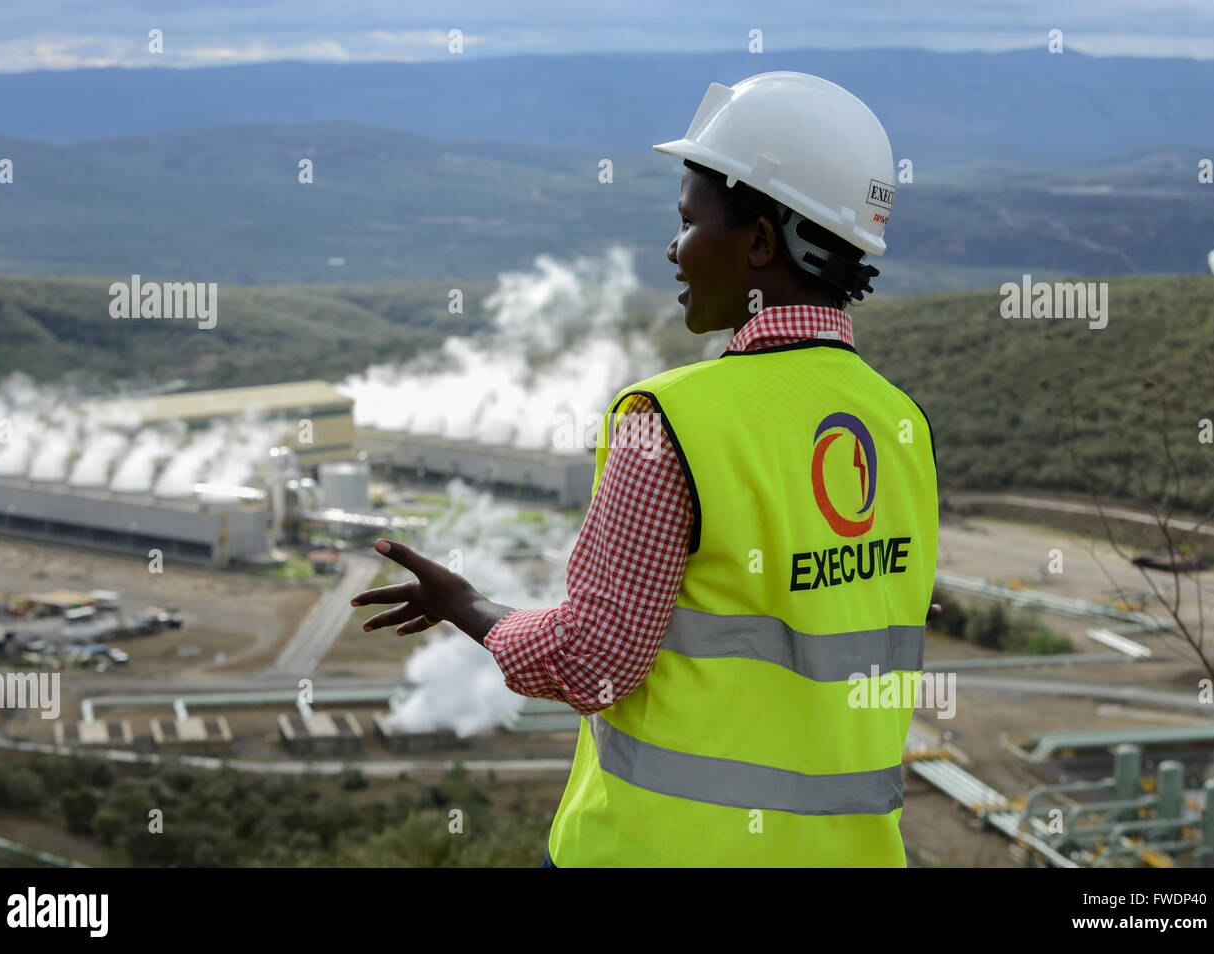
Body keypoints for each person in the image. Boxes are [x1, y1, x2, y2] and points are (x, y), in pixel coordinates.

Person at [352, 72, 940, 867]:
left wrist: (469, 606)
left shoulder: (667, 422)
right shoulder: (902, 427)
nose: (674, 248)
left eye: (689, 222)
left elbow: (592, 660)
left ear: (761, 242)